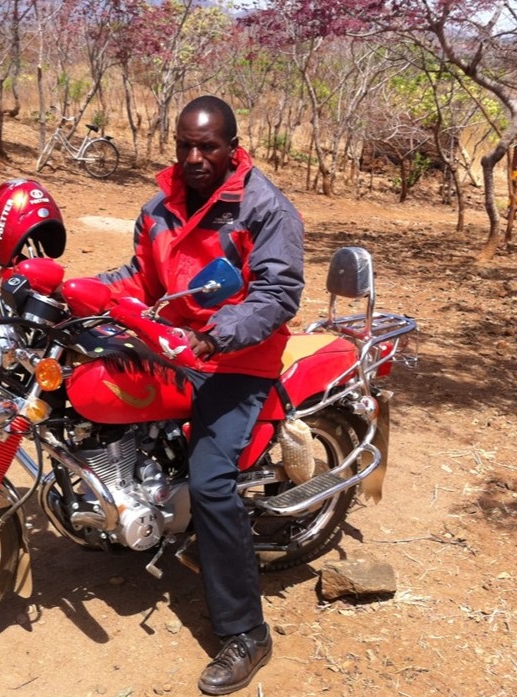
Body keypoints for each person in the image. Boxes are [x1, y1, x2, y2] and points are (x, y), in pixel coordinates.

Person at [97, 95, 305, 695]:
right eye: (184, 144)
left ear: (231, 147)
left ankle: (247, 633)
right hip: (173, 345)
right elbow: (138, 276)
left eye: (206, 146)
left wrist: (216, 338)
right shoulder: (159, 207)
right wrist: (76, 289)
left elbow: (275, 294)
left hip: (237, 359)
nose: (193, 156)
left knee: (213, 481)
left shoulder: (265, 210)